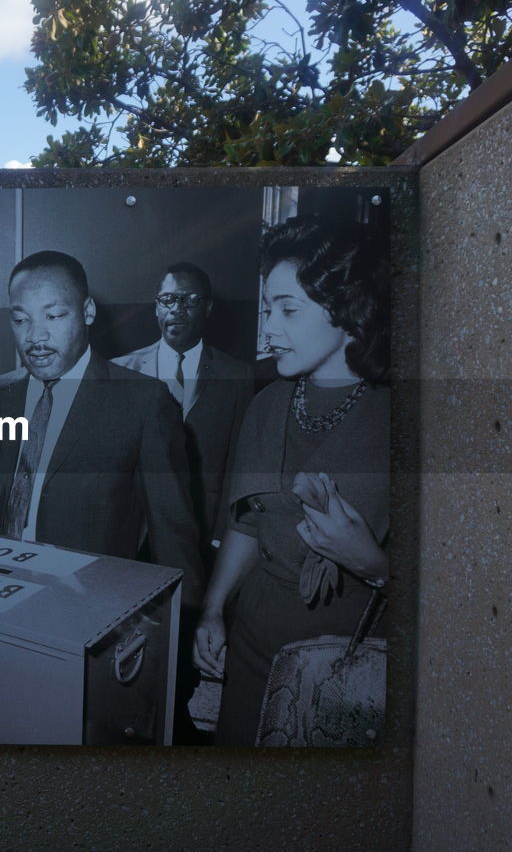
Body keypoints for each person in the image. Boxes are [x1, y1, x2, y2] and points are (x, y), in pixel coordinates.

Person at [0, 250, 203, 605]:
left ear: (87, 311)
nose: (36, 336)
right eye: (21, 320)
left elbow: (173, 534)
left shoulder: (143, 403)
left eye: (54, 315)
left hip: (83, 606)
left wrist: (181, 629)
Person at [193, 217, 390, 746]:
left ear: (346, 308)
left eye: (288, 310)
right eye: (267, 310)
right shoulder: (266, 406)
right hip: (253, 641)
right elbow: (248, 523)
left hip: (347, 656)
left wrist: (370, 563)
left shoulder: (401, 419)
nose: (269, 329)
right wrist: (213, 611)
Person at [113, 262, 254, 561]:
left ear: (208, 307)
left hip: (202, 535)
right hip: (132, 532)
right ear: (156, 307)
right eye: (168, 300)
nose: (177, 310)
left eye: (190, 300)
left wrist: (220, 537)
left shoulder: (237, 376)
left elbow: (236, 465)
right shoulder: (120, 371)